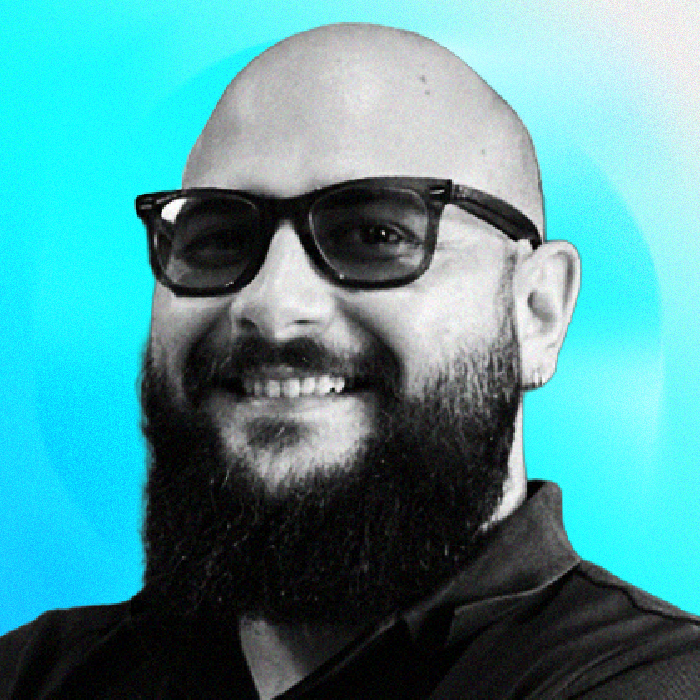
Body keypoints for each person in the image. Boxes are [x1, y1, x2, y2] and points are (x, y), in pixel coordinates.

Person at [1, 22, 699, 699]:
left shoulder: (655, 682)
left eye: (376, 233)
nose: (272, 305)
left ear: (537, 312)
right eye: (219, 239)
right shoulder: (37, 672)